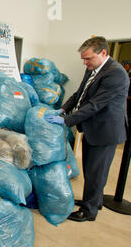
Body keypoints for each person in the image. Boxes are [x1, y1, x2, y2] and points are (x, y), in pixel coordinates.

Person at [44, 36, 130, 222]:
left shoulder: (115, 74)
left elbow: (94, 105)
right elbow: (79, 94)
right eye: (83, 59)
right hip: (93, 127)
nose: (85, 62)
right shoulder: (93, 68)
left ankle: (89, 211)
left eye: (88, 58)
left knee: (96, 172)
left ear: (103, 53)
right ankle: (94, 200)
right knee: (91, 170)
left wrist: (66, 120)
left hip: (105, 130)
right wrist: (63, 108)